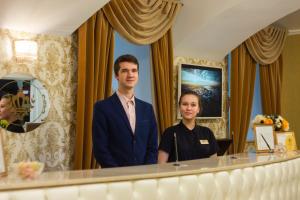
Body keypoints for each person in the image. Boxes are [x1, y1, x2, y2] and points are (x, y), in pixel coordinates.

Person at [92, 54, 158, 168]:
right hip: (115, 177)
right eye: (125, 71)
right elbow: (100, 148)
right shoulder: (102, 107)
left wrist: (147, 170)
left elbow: (152, 146)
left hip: (144, 176)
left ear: (138, 74)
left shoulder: (147, 109)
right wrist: (118, 173)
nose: (130, 75)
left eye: (134, 70)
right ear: (116, 75)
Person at [158, 91, 218, 163]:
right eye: (185, 104)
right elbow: (161, 165)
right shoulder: (169, 133)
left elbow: (214, 163)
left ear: (198, 109)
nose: (189, 108)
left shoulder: (207, 132)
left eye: (193, 105)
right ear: (179, 107)